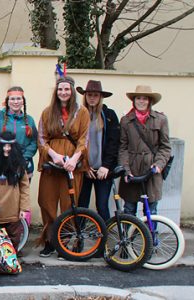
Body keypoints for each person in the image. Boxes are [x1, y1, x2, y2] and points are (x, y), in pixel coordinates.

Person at [36, 76, 90, 257]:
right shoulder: (47, 112)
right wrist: (54, 155)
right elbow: (42, 138)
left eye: (67, 89)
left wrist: (74, 159)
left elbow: (84, 139)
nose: (63, 92)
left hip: (71, 165)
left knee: (69, 204)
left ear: (72, 91)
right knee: (46, 201)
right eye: (60, 89)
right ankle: (50, 241)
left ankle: (64, 241)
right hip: (52, 163)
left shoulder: (82, 112)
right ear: (56, 91)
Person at [118, 85, 171, 216]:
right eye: (138, 98)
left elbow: (165, 147)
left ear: (150, 101)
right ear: (134, 101)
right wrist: (126, 170)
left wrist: (158, 165)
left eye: (145, 98)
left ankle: (151, 237)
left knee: (151, 212)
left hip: (152, 171)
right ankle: (127, 237)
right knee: (129, 210)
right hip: (132, 169)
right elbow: (123, 147)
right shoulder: (126, 121)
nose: (141, 101)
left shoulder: (161, 119)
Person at [76, 80, 120, 222]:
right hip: (85, 170)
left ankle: (105, 239)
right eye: (89, 95)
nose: (92, 98)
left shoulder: (109, 115)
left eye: (95, 95)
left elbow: (114, 142)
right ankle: (79, 240)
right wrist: (84, 165)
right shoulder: (79, 115)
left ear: (101, 97)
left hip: (103, 171)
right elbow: (76, 142)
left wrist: (106, 166)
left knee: (102, 206)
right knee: (82, 206)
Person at [0, 131, 30, 249]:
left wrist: (24, 208)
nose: (7, 149)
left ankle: (12, 265)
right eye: (4, 145)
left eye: (10, 146)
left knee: (14, 242)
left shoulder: (19, 167)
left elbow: (25, 187)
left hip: (14, 214)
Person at [0, 86, 38, 178]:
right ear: (7, 101)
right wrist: (2, 155)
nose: (16, 102)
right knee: (2, 191)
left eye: (18, 99)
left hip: (24, 164)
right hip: (1, 163)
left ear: (23, 101)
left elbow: (34, 142)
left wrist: (23, 157)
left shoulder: (29, 120)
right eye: (12, 99)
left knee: (22, 191)